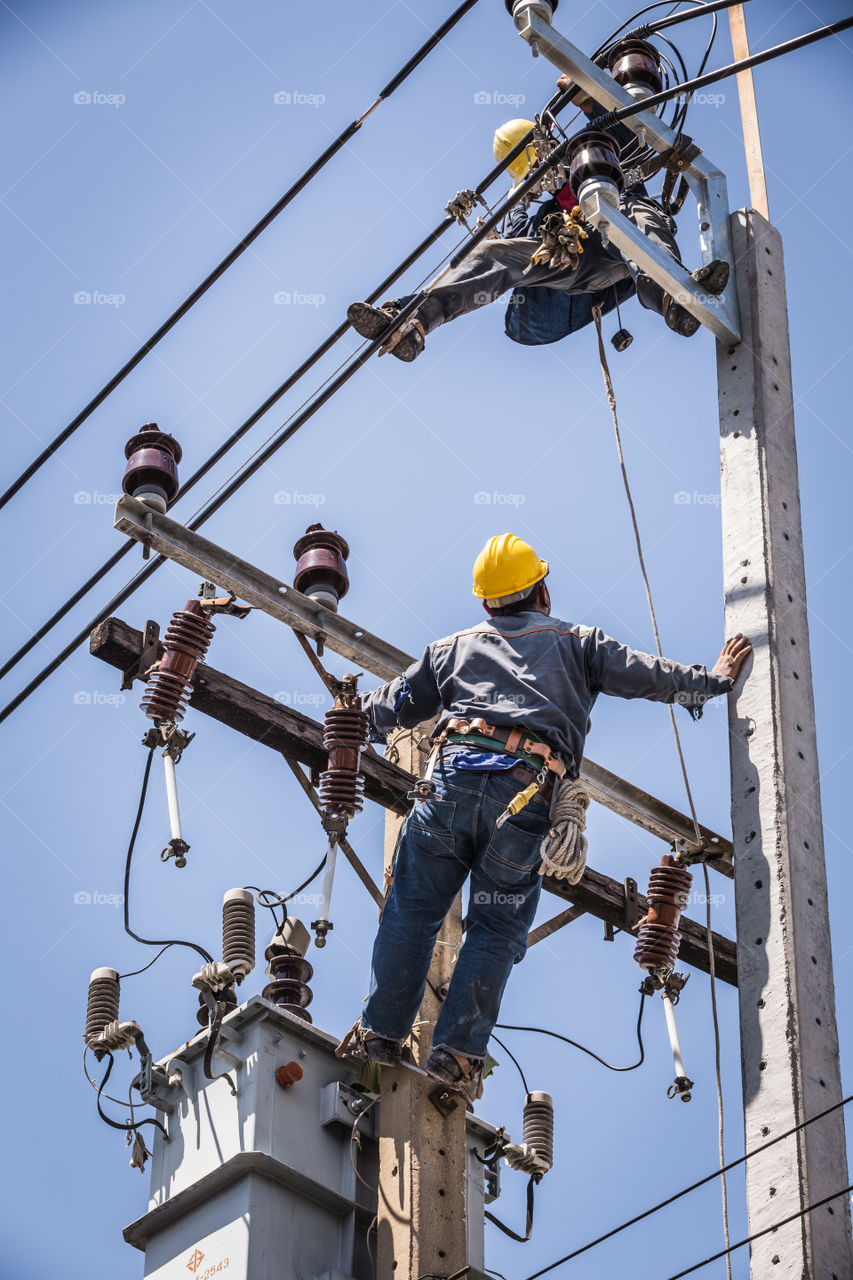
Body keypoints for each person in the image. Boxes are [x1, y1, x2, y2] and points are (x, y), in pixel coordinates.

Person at [337, 533, 751, 1099]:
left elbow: (385, 710)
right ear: (544, 593)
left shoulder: (452, 649)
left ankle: (380, 1034)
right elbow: (650, 674)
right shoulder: (578, 644)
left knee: (411, 912)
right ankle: (456, 1056)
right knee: (497, 927)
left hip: (450, 784)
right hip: (526, 793)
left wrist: (344, 724)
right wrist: (715, 679)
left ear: (486, 604)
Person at [347, 80, 729, 362]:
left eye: (548, 167)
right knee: (493, 252)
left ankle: (673, 297)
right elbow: (520, 250)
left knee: (633, 209)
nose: (550, 177)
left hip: (625, 243)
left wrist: (586, 100)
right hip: (579, 261)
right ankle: (413, 323)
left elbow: (623, 135)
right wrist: (519, 197)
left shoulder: (597, 163)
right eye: (538, 173)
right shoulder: (542, 210)